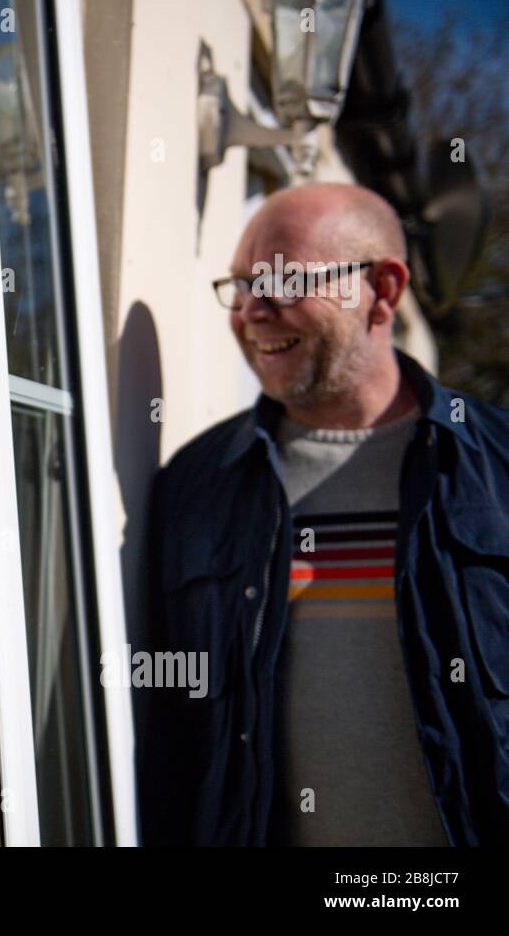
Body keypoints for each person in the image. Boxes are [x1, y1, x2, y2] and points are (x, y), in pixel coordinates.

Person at [137, 182, 509, 846]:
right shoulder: (194, 489)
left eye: (282, 281)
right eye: (242, 284)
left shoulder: (496, 468)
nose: (253, 309)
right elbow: (172, 746)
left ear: (383, 291)